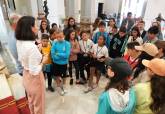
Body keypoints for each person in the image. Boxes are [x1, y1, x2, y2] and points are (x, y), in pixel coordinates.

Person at [16, 16, 46, 114]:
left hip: (26, 74)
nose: (37, 28)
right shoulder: (31, 47)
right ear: (30, 28)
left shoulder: (19, 42)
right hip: (35, 78)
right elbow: (35, 71)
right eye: (35, 25)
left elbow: (25, 56)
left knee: (31, 102)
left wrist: (36, 48)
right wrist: (43, 61)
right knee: (39, 106)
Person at [51, 31, 71, 96]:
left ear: (64, 36)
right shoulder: (55, 43)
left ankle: (63, 87)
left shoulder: (67, 44)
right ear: (56, 37)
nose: (60, 38)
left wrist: (58, 54)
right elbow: (53, 54)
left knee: (64, 76)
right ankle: (59, 87)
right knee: (56, 75)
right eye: (58, 37)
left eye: (61, 37)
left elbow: (67, 55)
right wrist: (60, 56)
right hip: (56, 63)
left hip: (64, 63)